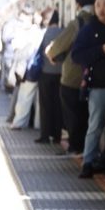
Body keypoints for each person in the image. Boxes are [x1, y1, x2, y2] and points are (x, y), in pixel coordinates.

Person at [71, 0, 105, 178]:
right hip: (99, 88)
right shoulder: (89, 29)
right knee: (95, 127)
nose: (101, 9)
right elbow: (76, 55)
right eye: (98, 5)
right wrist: (101, 50)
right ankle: (87, 163)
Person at [47, 0, 95, 155]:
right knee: (86, 114)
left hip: (73, 77)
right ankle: (85, 148)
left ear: (78, 5)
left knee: (72, 114)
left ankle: (76, 147)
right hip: (95, 77)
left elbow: (57, 47)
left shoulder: (77, 23)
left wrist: (51, 55)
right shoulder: (99, 20)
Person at [35, 10, 64, 144]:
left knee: (45, 106)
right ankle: (57, 136)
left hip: (45, 74)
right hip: (60, 74)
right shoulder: (63, 32)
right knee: (58, 105)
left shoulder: (43, 33)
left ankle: (45, 135)